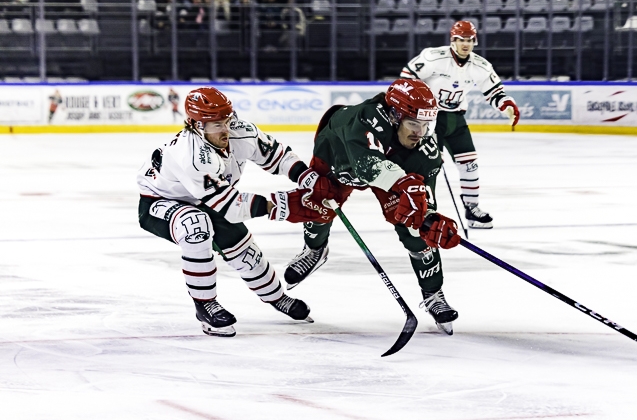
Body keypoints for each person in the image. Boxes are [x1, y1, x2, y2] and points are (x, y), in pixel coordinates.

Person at [136, 87, 330, 338]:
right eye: (216, 124)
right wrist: (283, 205)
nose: (225, 129)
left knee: (245, 252)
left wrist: (305, 176)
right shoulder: (192, 155)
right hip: (160, 202)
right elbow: (231, 206)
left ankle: (277, 297)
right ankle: (205, 306)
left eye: (226, 120)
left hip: (207, 199)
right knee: (195, 224)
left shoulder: (240, 130)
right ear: (196, 125)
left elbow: (277, 155)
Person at [282, 79, 463, 334]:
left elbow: (423, 200)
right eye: (413, 123)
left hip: (394, 166)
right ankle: (314, 249)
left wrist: (429, 220)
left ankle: (433, 293)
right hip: (339, 154)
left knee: (415, 227)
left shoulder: (425, 149)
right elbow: (367, 166)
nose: (419, 132)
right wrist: (404, 183)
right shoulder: (363, 121)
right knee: (318, 202)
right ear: (394, 115)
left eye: (425, 125)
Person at [400, 20, 519, 229]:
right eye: (461, 40)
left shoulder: (480, 65)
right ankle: (425, 211)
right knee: (430, 166)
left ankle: (472, 210)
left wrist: (507, 106)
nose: (465, 44)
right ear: (452, 40)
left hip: (456, 120)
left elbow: (495, 91)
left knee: (470, 165)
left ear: (475, 41)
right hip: (429, 118)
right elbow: (407, 76)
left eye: (469, 40)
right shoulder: (434, 57)